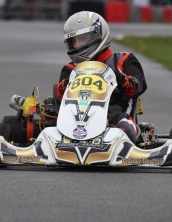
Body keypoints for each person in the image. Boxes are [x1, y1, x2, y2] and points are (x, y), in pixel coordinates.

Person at [55, 11, 147, 143]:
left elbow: (139, 86)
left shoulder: (123, 60)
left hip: (115, 115)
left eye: (83, 39)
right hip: (75, 119)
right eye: (74, 41)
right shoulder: (70, 69)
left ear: (98, 34)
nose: (77, 45)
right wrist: (65, 86)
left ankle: (120, 144)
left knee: (125, 127)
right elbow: (60, 95)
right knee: (49, 125)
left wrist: (122, 79)